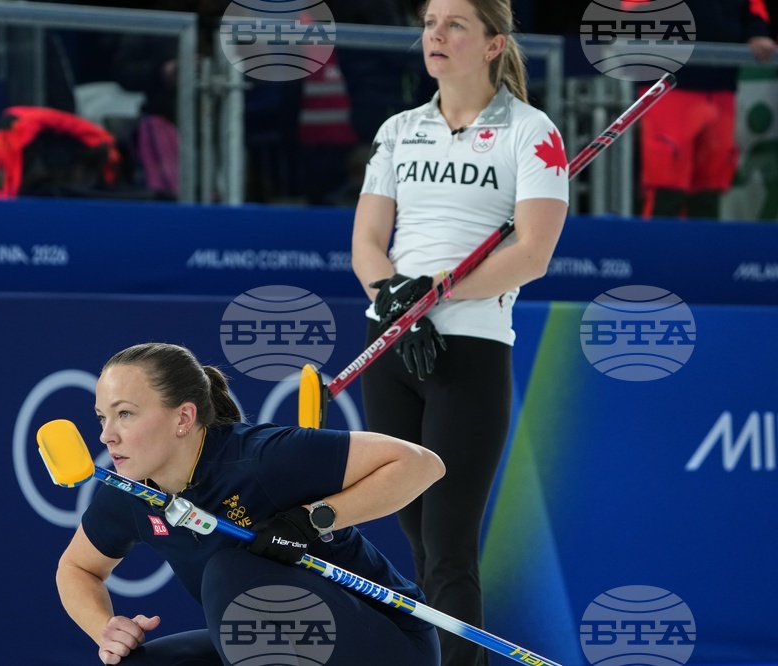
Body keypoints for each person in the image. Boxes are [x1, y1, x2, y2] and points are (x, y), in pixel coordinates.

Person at [350, 0, 568, 663]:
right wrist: (393, 298)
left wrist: (435, 295)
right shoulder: (399, 129)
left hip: (468, 352)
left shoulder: (532, 131)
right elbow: (365, 240)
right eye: (428, 24)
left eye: (454, 25)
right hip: (390, 346)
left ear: (494, 44)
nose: (434, 36)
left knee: (448, 545)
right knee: (419, 545)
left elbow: (532, 254)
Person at [56, 342, 445, 665]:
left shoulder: (261, 458)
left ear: (183, 418)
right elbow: (76, 568)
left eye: (124, 414)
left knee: (229, 572)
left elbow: (421, 465)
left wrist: (309, 521)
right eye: (101, 417)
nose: (107, 435)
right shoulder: (130, 493)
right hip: (286, 641)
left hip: (389, 642)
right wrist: (105, 628)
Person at [636, 0, 777, 220]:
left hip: (721, 85)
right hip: (668, 85)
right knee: (665, 186)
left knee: (711, 188)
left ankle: (701, 252)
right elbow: (632, 12)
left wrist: (758, 33)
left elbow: (754, 10)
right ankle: (654, 252)